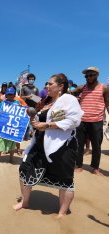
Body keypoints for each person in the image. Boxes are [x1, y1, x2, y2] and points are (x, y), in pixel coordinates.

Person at [13, 73, 83, 218]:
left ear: (61, 86)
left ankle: (62, 211)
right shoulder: (45, 100)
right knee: (24, 169)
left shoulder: (68, 99)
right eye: (47, 84)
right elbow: (36, 111)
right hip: (39, 144)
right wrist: (33, 118)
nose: (47, 86)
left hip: (61, 146)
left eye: (50, 84)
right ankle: (24, 202)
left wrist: (47, 125)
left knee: (65, 178)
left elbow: (73, 121)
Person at [72, 67, 109, 176]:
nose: (88, 77)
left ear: (97, 75)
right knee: (79, 145)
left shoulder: (104, 88)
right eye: (86, 76)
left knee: (96, 146)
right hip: (82, 121)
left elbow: (107, 104)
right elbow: (69, 93)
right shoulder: (81, 88)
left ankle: (95, 168)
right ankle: (78, 165)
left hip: (96, 121)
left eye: (91, 75)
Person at [0, 87, 21, 163]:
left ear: (14, 95)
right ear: (6, 95)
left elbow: (21, 114)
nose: (10, 96)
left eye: (11, 94)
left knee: (12, 143)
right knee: (0, 142)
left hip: (13, 127)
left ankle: (11, 158)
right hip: (3, 126)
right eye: (8, 94)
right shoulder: (3, 103)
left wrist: (20, 108)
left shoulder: (17, 103)